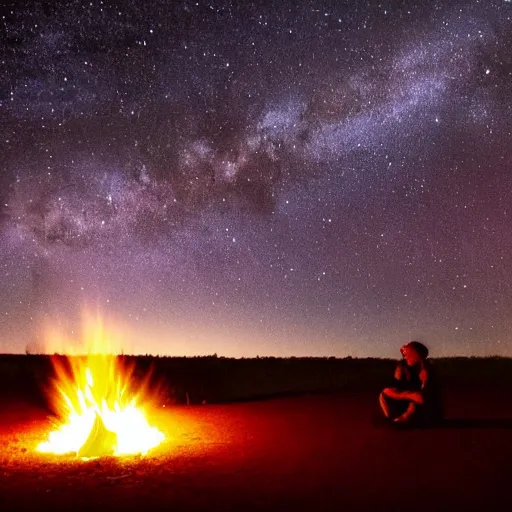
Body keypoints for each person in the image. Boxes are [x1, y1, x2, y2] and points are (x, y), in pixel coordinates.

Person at [378, 341, 444, 427]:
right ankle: (391, 418)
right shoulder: (403, 368)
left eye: (407, 354)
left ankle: (405, 419)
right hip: (412, 400)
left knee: (416, 398)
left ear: (416, 354)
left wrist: (409, 395)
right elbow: (388, 390)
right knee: (383, 395)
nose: (405, 357)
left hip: (428, 410)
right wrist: (406, 395)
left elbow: (422, 398)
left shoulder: (426, 371)